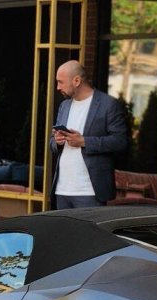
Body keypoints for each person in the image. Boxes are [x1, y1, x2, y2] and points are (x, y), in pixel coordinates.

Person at [50, 60, 128, 208]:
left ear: (77, 81)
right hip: (62, 189)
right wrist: (57, 140)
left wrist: (84, 142)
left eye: (61, 82)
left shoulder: (108, 104)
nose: (58, 87)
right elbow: (52, 143)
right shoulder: (64, 105)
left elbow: (120, 142)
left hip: (90, 191)